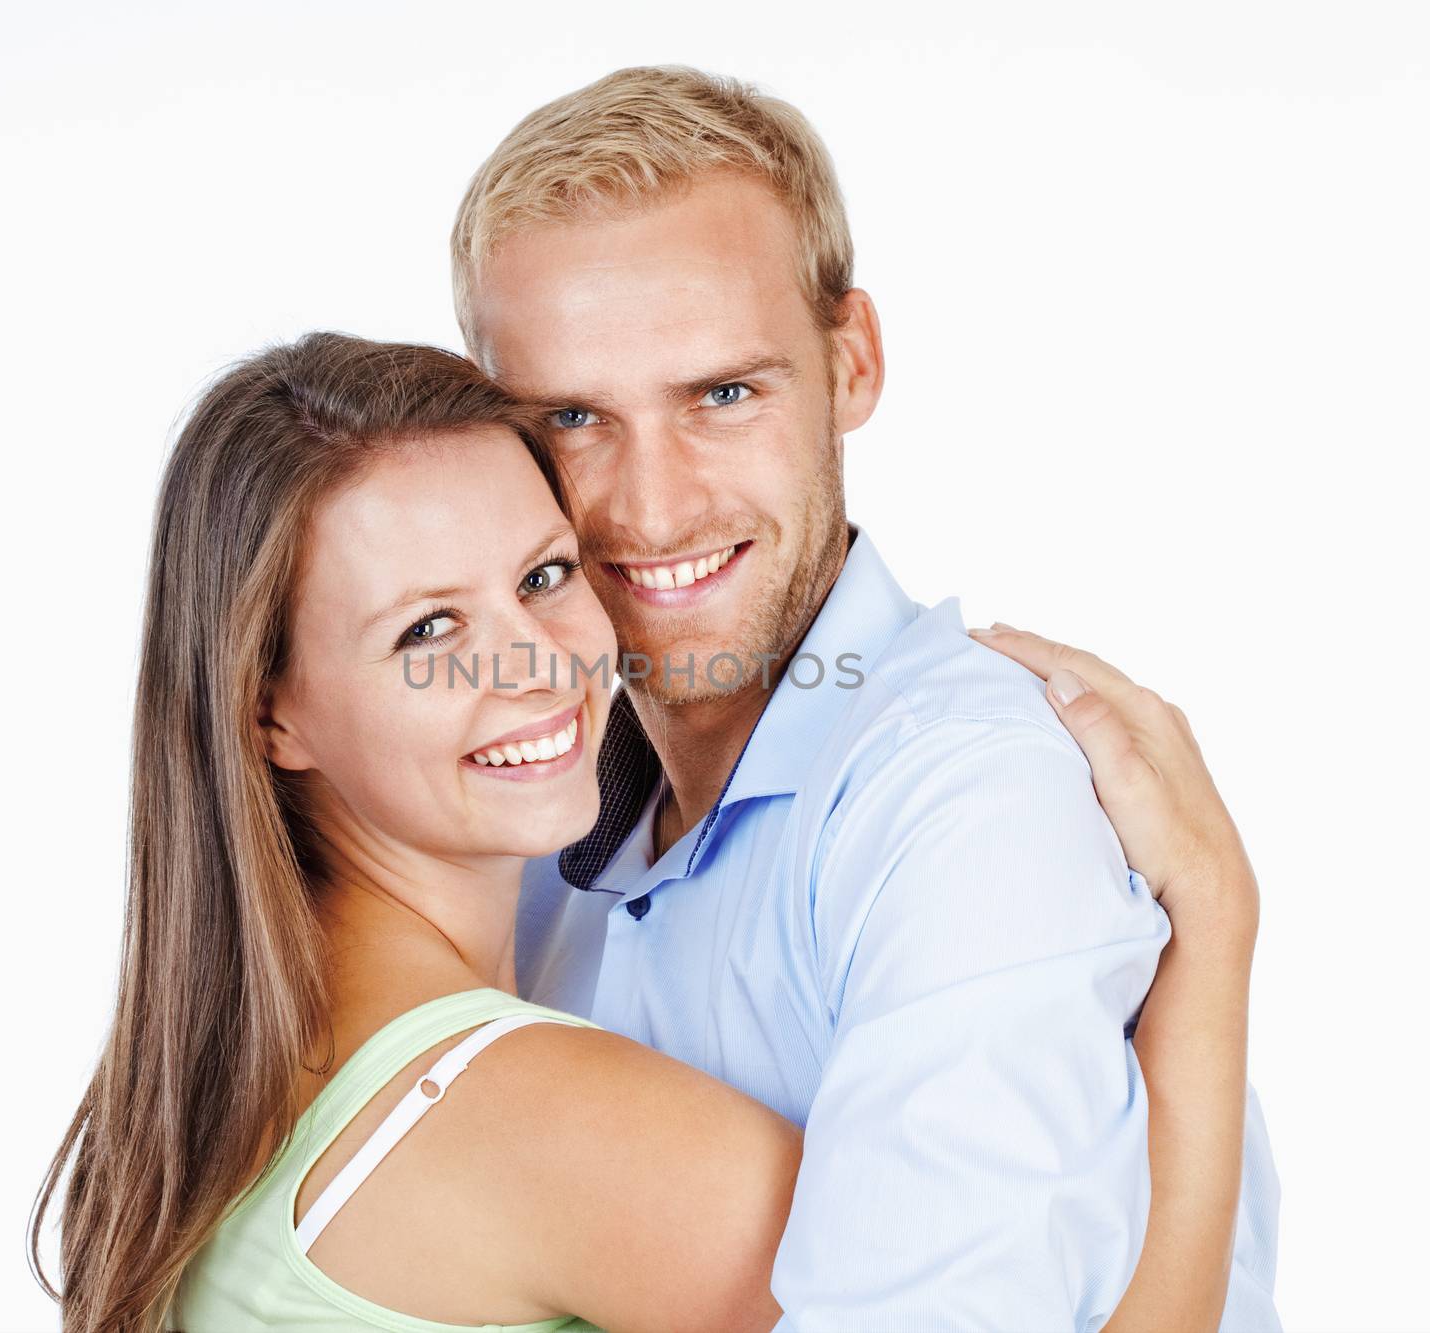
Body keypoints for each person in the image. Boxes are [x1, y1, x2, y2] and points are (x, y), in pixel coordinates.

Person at [35, 333, 1266, 1332]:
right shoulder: (534, 1119)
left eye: (542, 576)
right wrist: (1211, 937)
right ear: (272, 712)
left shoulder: (218, 1094)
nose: (530, 662)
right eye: (425, 633)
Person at [453, 67, 1280, 1328]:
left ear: (851, 365)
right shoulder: (531, 813)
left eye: (724, 394)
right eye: (570, 417)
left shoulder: (966, 797)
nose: (652, 507)